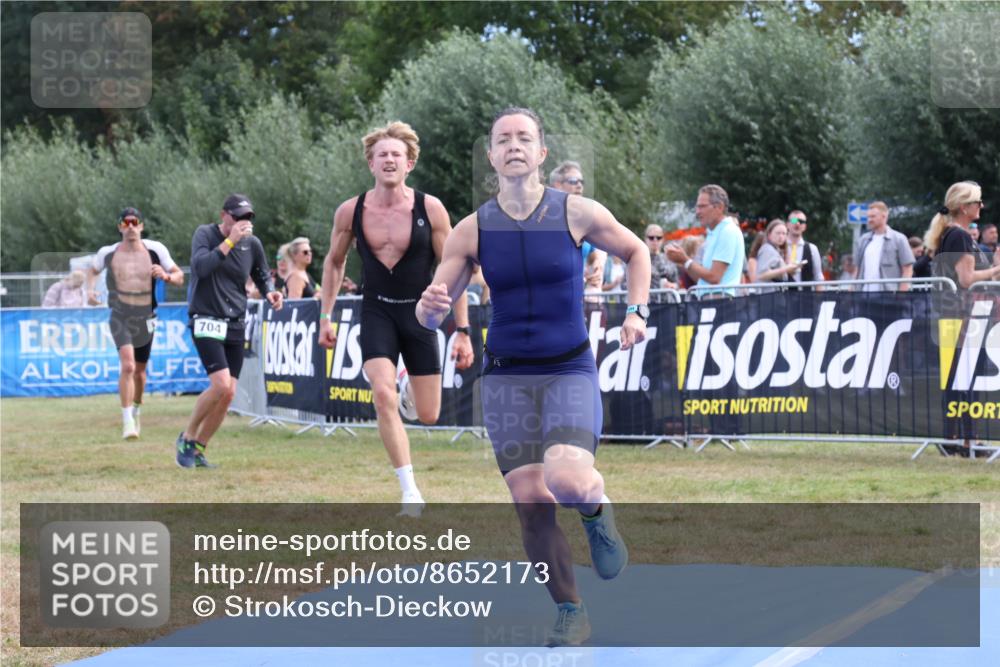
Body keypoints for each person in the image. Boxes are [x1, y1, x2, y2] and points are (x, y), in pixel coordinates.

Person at [416, 107, 651, 647]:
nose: (514, 145)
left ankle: (597, 512)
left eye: (525, 138)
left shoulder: (576, 212)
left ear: (541, 153)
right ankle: (571, 609)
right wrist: (430, 309)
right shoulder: (472, 229)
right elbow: (431, 311)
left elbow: (637, 251)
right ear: (493, 157)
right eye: (503, 139)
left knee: (566, 479)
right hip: (505, 378)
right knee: (531, 504)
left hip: (567, 366)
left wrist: (636, 312)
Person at [318, 121, 474, 515]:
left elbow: (454, 266)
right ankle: (409, 491)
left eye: (396, 155)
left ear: (409, 164)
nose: (389, 160)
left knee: (428, 414)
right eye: (381, 155)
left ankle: (408, 387)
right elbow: (334, 263)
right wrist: (326, 315)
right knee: (382, 395)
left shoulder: (430, 208)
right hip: (376, 310)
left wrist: (464, 331)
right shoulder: (350, 211)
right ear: (370, 163)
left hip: (421, 314)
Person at [179, 193, 284, 468]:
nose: (243, 222)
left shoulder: (254, 244)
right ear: (224, 215)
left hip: (236, 320)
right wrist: (230, 241)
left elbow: (262, 274)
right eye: (238, 217)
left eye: (248, 217)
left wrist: (270, 292)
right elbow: (201, 268)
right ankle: (187, 437)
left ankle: (199, 448)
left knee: (228, 394)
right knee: (221, 384)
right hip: (206, 317)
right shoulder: (205, 234)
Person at [88, 207, 184, 440]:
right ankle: (127, 421)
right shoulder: (107, 253)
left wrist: (167, 276)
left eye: (135, 222)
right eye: (125, 222)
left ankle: (137, 407)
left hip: (147, 316)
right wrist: (91, 291)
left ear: (141, 226)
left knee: (140, 372)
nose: (130, 226)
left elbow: (179, 276)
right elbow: (91, 271)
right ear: (120, 226)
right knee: (128, 366)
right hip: (120, 315)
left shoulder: (155, 250)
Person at [925, 181, 1000, 457]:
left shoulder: (955, 234)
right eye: (977, 202)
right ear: (963, 207)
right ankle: (963, 440)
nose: (981, 206)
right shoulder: (959, 236)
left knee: (959, 378)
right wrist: (995, 270)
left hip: (957, 317)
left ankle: (958, 439)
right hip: (961, 317)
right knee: (964, 379)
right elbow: (967, 279)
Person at [665, 185, 746, 298]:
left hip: (721, 301)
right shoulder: (714, 232)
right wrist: (683, 261)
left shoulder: (728, 231)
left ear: (719, 207)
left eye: (702, 206)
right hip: (711, 299)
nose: (697, 212)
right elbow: (701, 279)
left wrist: (686, 259)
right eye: (697, 207)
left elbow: (714, 277)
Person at [550, 161, 607, 305]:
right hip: (551, 304)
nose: (579, 185)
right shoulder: (544, 219)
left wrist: (597, 267)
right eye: (573, 181)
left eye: (581, 181)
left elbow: (594, 255)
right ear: (557, 184)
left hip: (579, 303)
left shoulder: (583, 220)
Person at [851, 201, 915, 292]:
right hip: (863, 294)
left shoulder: (899, 239)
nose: (869, 220)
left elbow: (908, 269)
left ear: (884, 216)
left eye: (873, 216)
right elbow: (856, 269)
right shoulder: (862, 241)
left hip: (889, 295)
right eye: (868, 217)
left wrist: (902, 293)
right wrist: (852, 288)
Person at [754, 218, 802, 291]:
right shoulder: (767, 249)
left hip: (774, 295)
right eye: (778, 233)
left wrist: (791, 269)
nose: (781, 236)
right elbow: (761, 275)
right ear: (769, 234)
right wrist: (786, 268)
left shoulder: (775, 249)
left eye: (784, 233)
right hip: (769, 295)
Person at [784, 210, 824, 289]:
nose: (797, 223)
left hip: (805, 297)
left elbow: (818, 276)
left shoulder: (812, 248)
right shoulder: (779, 247)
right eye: (794, 220)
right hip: (782, 297)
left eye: (801, 221)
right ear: (787, 224)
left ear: (805, 226)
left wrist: (819, 299)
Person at [644, 223, 678, 297]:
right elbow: (625, 284)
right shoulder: (639, 259)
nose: (655, 240)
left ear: (662, 240)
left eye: (658, 237)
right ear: (645, 239)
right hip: (647, 302)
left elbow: (676, 282)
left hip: (668, 302)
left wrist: (672, 286)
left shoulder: (669, 258)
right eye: (651, 237)